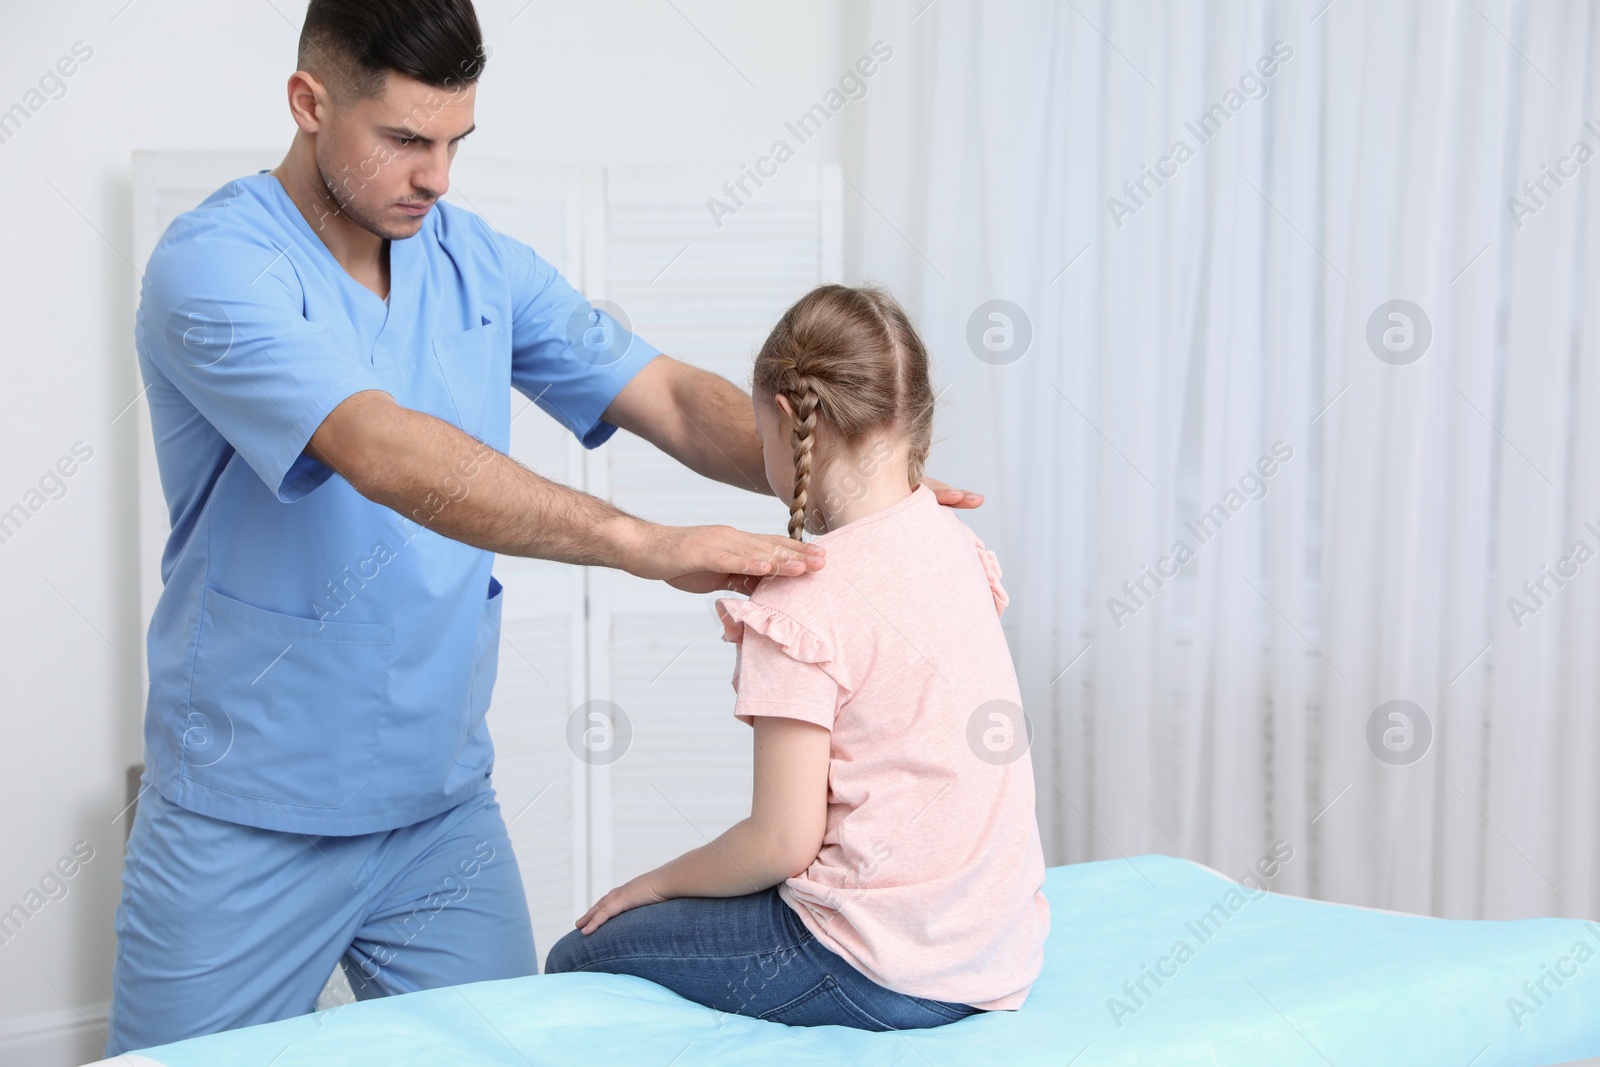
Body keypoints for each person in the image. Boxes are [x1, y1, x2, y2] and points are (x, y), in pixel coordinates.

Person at [107, 2, 980, 1054]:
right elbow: (379, 447)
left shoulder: (475, 261)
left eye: (454, 143)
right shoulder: (212, 268)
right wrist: (640, 542)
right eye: (404, 140)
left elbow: (660, 393)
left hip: (436, 813)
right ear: (308, 103)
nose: (436, 176)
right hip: (246, 810)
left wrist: (858, 475)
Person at [544, 285, 1048, 1031]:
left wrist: (651, 885)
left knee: (574, 957)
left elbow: (780, 842)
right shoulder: (957, 545)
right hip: (995, 953)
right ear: (907, 412)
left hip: (877, 967)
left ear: (786, 420)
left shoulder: (802, 597)